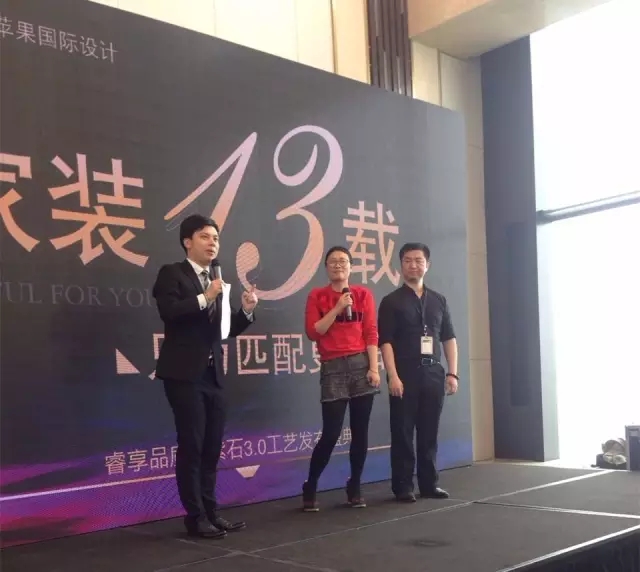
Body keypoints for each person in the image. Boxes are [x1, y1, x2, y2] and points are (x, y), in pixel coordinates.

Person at [152, 214, 258, 538]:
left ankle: (212, 512)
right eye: (205, 237)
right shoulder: (173, 273)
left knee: (212, 446)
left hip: (214, 375)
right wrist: (206, 297)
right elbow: (170, 311)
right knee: (193, 445)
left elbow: (224, 331)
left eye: (216, 238)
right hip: (184, 374)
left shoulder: (216, 280)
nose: (213, 243)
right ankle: (195, 516)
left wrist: (247, 311)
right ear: (187, 241)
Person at [378, 242, 459, 502]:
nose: (413, 265)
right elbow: (385, 342)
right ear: (401, 266)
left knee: (429, 432)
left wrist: (452, 373)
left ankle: (429, 484)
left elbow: (448, 338)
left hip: (433, 373)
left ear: (427, 265)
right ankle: (403, 486)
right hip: (404, 373)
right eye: (408, 261)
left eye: (418, 260)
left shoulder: (439, 300)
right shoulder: (391, 301)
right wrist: (392, 375)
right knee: (402, 432)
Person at [302, 246, 381, 511]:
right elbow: (314, 332)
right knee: (331, 433)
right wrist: (337, 308)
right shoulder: (317, 295)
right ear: (326, 267)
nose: (339, 265)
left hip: (361, 364)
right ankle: (311, 484)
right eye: (333, 261)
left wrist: (374, 368)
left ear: (351, 266)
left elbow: (371, 333)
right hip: (333, 367)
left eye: (343, 261)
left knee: (360, 432)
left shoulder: (363, 294)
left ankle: (355, 485)